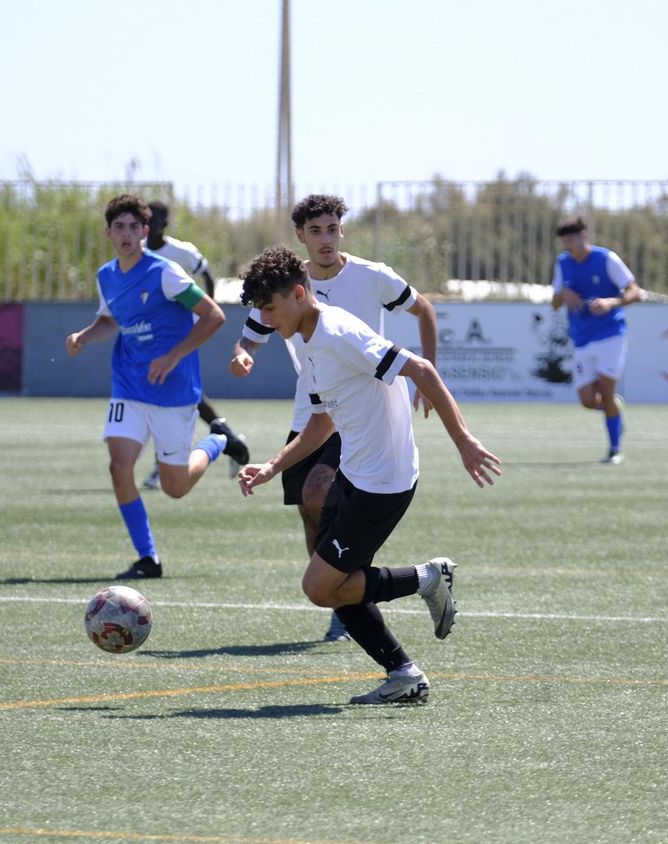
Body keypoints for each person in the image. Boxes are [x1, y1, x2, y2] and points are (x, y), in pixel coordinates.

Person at [235, 247, 499, 705]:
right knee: (335, 584)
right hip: (356, 472)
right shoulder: (308, 340)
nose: (264, 318)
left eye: (270, 307)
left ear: (299, 294)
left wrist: (464, 442)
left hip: (384, 482)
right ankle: (404, 674)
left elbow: (421, 368)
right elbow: (322, 421)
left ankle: (426, 579)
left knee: (319, 587)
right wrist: (274, 464)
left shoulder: (338, 334)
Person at [229, 194, 439, 642]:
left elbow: (425, 312)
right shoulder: (282, 285)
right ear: (301, 236)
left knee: (319, 490)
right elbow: (251, 336)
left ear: (341, 230)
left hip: (356, 409)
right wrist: (243, 356)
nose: (325, 239)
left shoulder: (371, 277)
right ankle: (338, 592)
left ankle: (343, 591)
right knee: (310, 510)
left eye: (332, 228)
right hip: (314, 408)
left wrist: (427, 377)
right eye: (315, 231)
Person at [67, 194, 247, 580]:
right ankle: (148, 558)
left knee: (175, 487)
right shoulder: (107, 276)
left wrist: (173, 355)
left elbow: (212, 316)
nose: (127, 234)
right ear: (109, 233)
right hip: (129, 384)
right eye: (120, 227)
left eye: (135, 227)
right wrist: (84, 335)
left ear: (145, 232)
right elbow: (109, 320)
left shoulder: (165, 273)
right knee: (119, 467)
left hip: (174, 388)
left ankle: (217, 441)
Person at [141, 201, 247, 491]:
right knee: (186, 396)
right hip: (151, 334)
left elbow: (207, 274)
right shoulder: (138, 252)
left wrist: (204, 313)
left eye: (157, 220)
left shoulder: (180, 252)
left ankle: (164, 464)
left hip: (178, 334)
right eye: (147, 220)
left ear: (165, 224)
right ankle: (228, 440)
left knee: (163, 394)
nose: (151, 225)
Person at [551, 217, 646, 464]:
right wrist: (564, 293)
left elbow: (636, 292)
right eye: (564, 242)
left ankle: (615, 449)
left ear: (584, 236)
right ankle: (615, 410)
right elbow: (554, 302)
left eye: (571, 240)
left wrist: (611, 302)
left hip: (610, 334)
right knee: (587, 401)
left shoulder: (607, 259)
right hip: (581, 338)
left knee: (606, 392)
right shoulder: (563, 263)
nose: (567, 246)